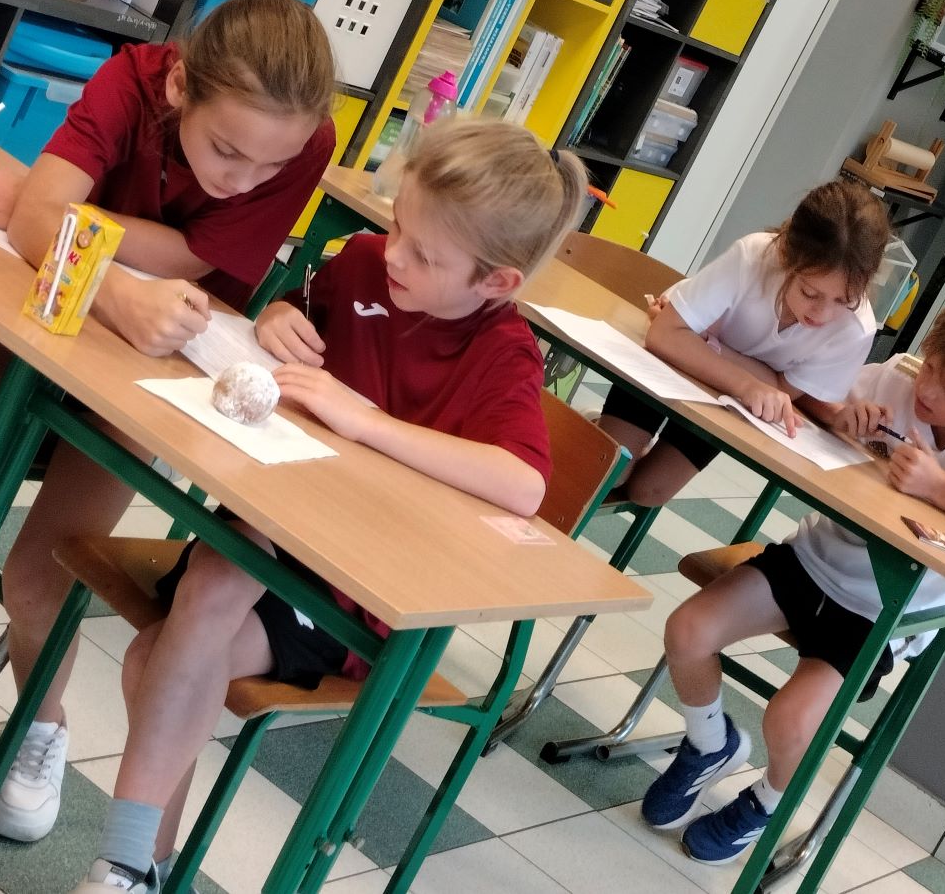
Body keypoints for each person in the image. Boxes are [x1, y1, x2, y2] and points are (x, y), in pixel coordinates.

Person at [72, 117, 586, 893]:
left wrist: (368, 422)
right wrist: (280, 317)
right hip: (273, 525)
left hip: (358, 587)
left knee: (158, 655)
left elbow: (524, 484)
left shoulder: (502, 352)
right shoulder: (369, 264)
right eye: (398, 225)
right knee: (201, 597)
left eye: (425, 254)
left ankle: (132, 865)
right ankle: (135, 869)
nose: (395, 253)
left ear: (496, 283)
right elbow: (297, 308)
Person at [0, 0, 337, 847]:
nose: (241, 180)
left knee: (38, 576)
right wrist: (107, 279)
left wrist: (68, 217)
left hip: (165, 364)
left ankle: (40, 728)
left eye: (268, 166)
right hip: (51, 303)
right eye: (225, 150)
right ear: (179, 88)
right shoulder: (131, 79)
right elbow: (34, 223)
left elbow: (195, 257)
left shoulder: (303, 138)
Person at [642, 296, 945, 865]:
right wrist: (839, 413)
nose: (929, 389)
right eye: (933, 365)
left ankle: (768, 801)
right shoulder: (899, 375)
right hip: (810, 560)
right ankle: (708, 746)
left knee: (789, 719)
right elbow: (807, 391)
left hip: (877, 612)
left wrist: (940, 488)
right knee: (687, 630)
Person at [597, 179, 890, 507]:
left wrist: (707, 342)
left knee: (649, 492)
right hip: (672, 362)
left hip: (723, 394)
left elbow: (783, 391)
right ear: (786, 254)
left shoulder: (855, 328)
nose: (822, 313)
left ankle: (614, 440)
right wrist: (748, 384)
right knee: (609, 469)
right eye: (810, 293)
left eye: (843, 300)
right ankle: (599, 430)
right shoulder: (753, 256)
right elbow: (664, 335)